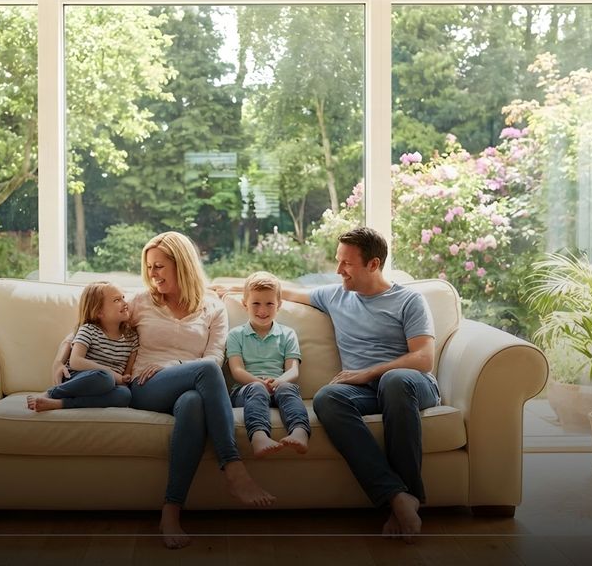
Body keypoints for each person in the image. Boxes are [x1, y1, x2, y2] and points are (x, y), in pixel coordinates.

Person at [281, 227, 440, 541]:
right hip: (365, 393)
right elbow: (281, 291)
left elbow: (424, 358)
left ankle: (406, 497)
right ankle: (398, 497)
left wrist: (369, 372)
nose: (338, 270)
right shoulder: (335, 295)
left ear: (373, 264)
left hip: (410, 386)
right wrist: (219, 287)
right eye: (338, 261)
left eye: (346, 263)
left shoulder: (408, 300)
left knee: (393, 380)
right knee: (327, 397)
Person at [128, 231, 274, 550]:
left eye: (159, 266)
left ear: (181, 265)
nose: (152, 274)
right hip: (146, 386)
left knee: (194, 402)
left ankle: (171, 511)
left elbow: (214, 355)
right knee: (206, 371)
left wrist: (175, 365)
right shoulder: (139, 302)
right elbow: (93, 323)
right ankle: (233, 467)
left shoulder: (212, 306)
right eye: (149, 267)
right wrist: (64, 356)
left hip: (190, 387)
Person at [226, 271, 310, 457]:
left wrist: (278, 382)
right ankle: (259, 437)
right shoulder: (235, 335)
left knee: (288, 388)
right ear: (244, 304)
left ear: (279, 305)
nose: (262, 310)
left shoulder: (288, 334)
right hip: (247, 390)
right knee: (257, 389)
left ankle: (299, 432)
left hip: (277, 386)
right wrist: (259, 382)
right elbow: (237, 370)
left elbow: (293, 371)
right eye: (256, 303)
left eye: (269, 304)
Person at [27, 282, 134, 412]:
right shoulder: (88, 330)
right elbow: (75, 361)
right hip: (80, 378)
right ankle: (51, 393)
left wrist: (124, 378)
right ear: (99, 312)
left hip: (108, 386)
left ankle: (60, 403)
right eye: (117, 300)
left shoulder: (131, 337)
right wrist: (111, 373)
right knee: (105, 378)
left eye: (123, 297)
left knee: (125, 395)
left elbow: (126, 375)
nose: (125, 303)